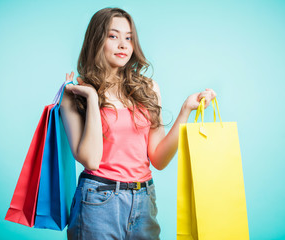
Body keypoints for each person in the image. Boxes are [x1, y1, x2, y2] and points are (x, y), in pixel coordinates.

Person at [60, 7, 216, 240]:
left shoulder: (148, 89)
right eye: (113, 36)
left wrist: (186, 110)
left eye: (129, 37)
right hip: (98, 200)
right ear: (96, 39)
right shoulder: (76, 92)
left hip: (144, 200)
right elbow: (90, 160)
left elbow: (159, 159)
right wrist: (92, 98)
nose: (123, 44)